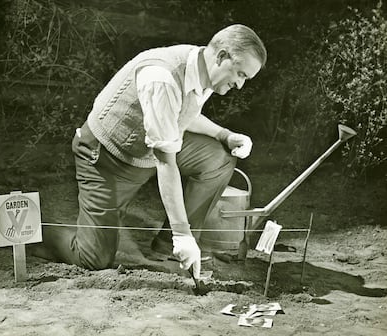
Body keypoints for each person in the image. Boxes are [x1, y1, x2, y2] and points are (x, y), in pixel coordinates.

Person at [41, 24, 267, 279]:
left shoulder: (201, 68)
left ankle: (170, 248)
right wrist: (183, 233)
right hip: (108, 159)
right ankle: (33, 230)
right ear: (222, 56)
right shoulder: (164, 76)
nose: (239, 84)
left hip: (145, 151)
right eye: (241, 74)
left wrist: (225, 135)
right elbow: (165, 162)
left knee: (219, 158)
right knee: (93, 258)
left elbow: (180, 114)